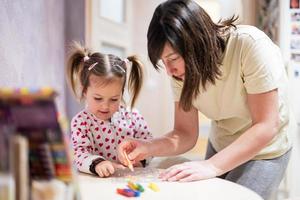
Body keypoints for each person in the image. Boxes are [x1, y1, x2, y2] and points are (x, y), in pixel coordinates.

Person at [117, 0, 294, 199]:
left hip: (265, 148)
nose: (169, 70)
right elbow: (185, 133)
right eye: (163, 62)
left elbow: (266, 125)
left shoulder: (250, 45)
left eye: (173, 59)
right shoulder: (179, 74)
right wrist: (148, 147)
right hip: (223, 142)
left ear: (196, 42)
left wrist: (211, 166)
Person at [66, 42, 152, 178]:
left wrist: (141, 159)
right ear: (84, 90)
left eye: (114, 99)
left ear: (121, 93)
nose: (105, 106)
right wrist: (98, 164)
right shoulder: (81, 122)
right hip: (97, 183)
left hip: (131, 179)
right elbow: (78, 154)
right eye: (98, 98)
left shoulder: (133, 116)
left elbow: (148, 143)